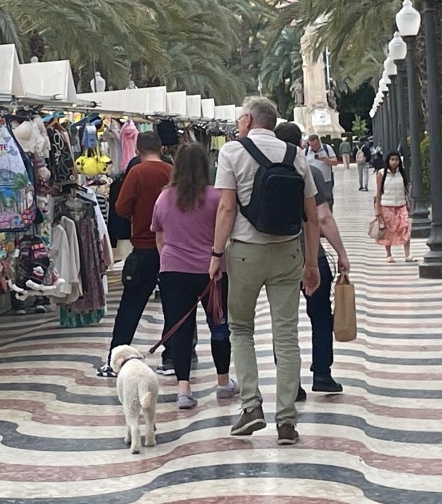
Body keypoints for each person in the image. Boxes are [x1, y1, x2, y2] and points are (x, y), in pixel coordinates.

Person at [210, 98, 320, 446]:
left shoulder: (231, 152)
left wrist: (216, 254)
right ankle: (286, 420)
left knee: (241, 328)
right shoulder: (296, 155)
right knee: (286, 335)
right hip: (288, 252)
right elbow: (312, 216)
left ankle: (251, 406)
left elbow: (227, 208)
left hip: (245, 252)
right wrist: (312, 263)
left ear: (247, 120)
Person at [151, 143, 236, 409]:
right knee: (219, 326)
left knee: (180, 328)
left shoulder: (164, 198)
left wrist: (170, 260)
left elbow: (159, 237)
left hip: (173, 271)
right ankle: (223, 382)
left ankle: (184, 390)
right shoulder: (215, 197)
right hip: (211, 272)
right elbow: (226, 231)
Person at [275, 123, 349, 400]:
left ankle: (290, 383)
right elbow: (323, 218)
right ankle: (322, 374)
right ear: (301, 145)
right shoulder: (310, 171)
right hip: (311, 256)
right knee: (320, 316)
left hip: (277, 258)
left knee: (283, 320)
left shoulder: (261, 170)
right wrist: (341, 253)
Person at [98, 131, 172, 377]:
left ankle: (116, 358)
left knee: (131, 305)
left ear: (138, 151)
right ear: (161, 148)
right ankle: (174, 356)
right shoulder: (172, 172)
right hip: (172, 249)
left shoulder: (137, 172)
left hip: (144, 247)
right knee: (174, 304)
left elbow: (121, 207)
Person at [374, 151, 413, 262]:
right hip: (387, 205)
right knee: (388, 230)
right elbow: (378, 192)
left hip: (401, 205)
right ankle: (389, 254)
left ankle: (407, 254)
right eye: (392, 159)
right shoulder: (381, 173)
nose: (394, 162)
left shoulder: (402, 173)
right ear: (388, 161)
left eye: (396, 160)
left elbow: (406, 189)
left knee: (405, 228)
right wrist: (378, 208)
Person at [305, 133, 338, 208]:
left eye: (315, 145)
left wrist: (326, 160)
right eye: (311, 145)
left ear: (319, 141)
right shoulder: (306, 151)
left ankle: (329, 213)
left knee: (328, 200)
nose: (314, 147)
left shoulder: (327, 148)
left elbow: (335, 162)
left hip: (326, 180)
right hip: (312, 182)